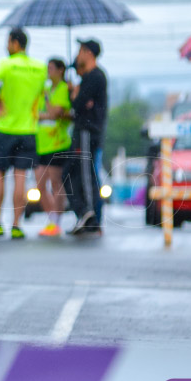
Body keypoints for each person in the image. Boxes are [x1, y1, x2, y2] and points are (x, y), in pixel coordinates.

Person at [0, 28, 47, 240]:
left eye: (8, 42)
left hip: (5, 128)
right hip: (28, 129)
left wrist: (0, 99)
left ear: (15, 43)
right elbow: (43, 94)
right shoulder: (39, 68)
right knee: (21, 177)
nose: (6, 46)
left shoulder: (6, 64)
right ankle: (17, 225)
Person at [66, 39, 108, 236]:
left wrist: (76, 96)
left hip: (87, 131)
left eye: (81, 50)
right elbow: (81, 103)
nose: (77, 54)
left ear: (88, 53)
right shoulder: (87, 78)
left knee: (86, 174)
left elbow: (79, 104)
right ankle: (85, 214)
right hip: (84, 130)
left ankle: (91, 216)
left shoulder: (95, 77)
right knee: (72, 172)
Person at [35, 58, 73, 237]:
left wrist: (46, 110)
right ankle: (51, 219)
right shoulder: (46, 89)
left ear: (60, 70)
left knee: (56, 183)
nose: (48, 71)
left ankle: (56, 221)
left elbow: (54, 112)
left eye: (51, 68)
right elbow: (37, 113)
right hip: (41, 143)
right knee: (40, 184)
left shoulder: (64, 89)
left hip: (58, 143)